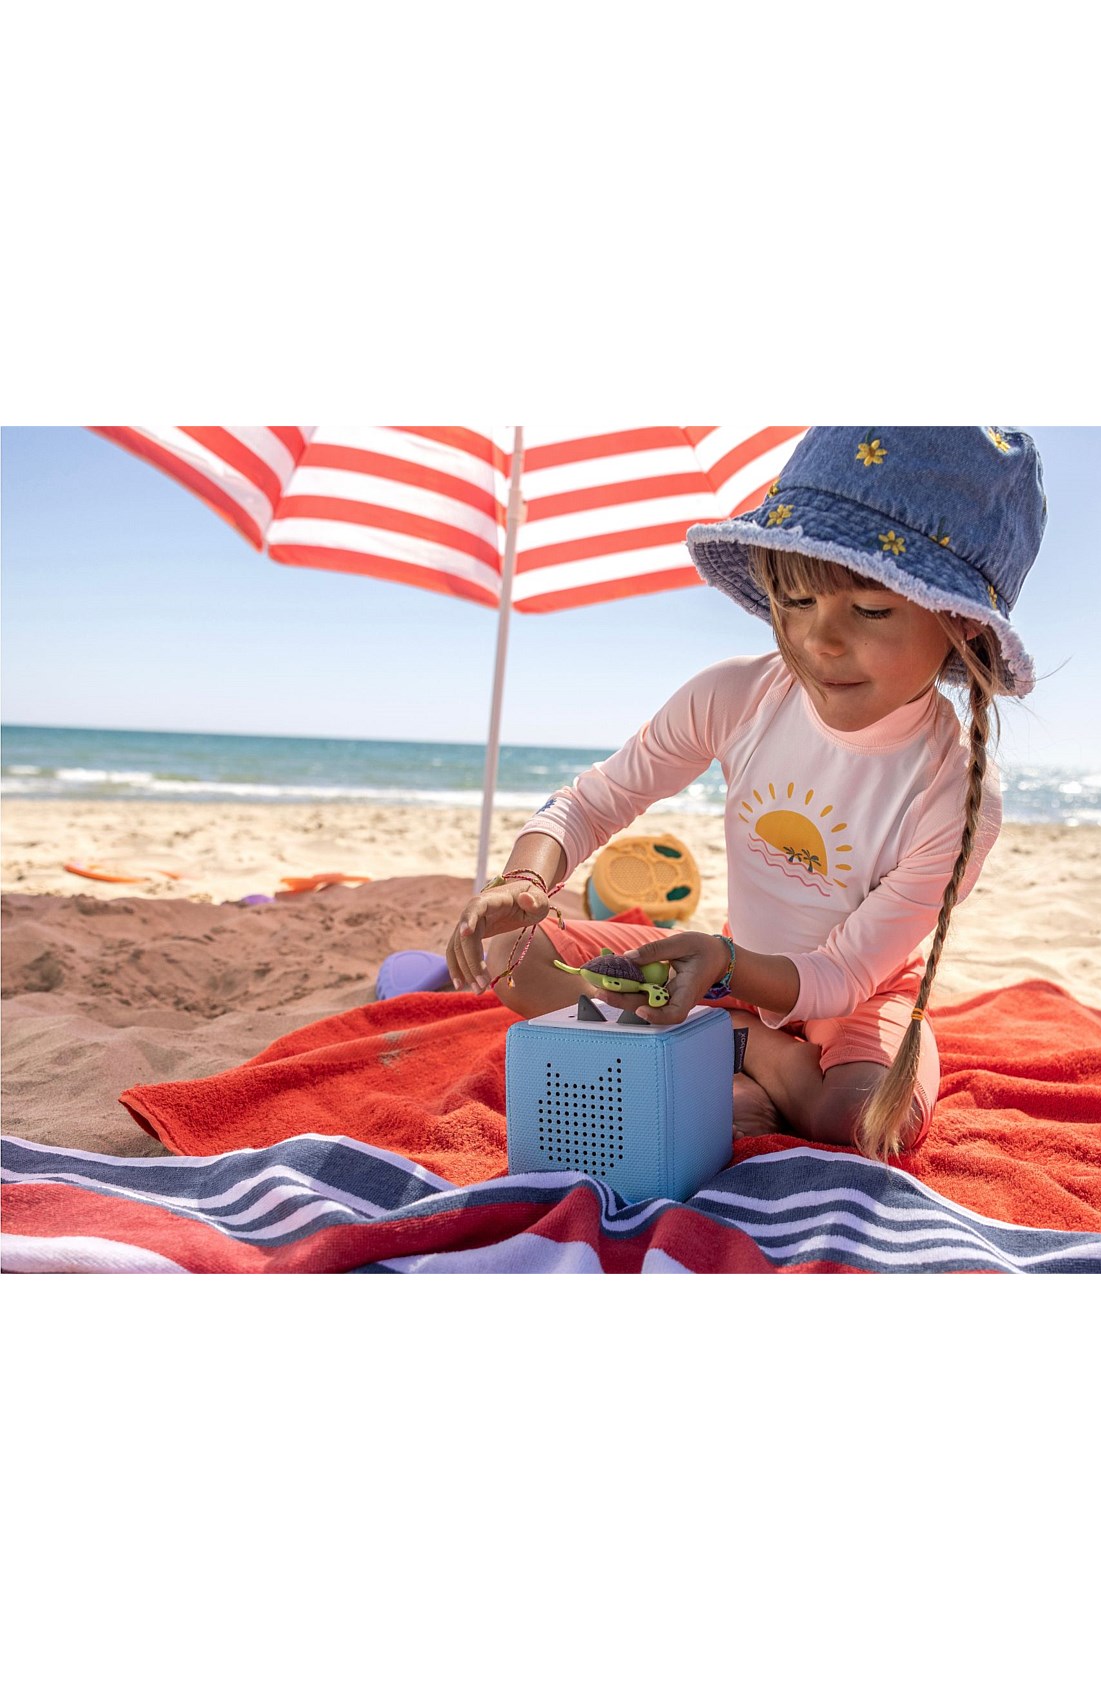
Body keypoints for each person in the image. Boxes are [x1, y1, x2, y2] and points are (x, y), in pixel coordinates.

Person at [445, 427, 1047, 1162]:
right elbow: (596, 799)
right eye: (796, 600)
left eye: (870, 610)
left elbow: (843, 974)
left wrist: (726, 968)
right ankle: (747, 1047)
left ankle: (730, 1053)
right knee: (511, 952)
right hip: (725, 971)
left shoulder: (956, 794)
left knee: (864, 1123)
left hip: (852, 994)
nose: (821, 641)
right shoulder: (738, 695)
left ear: (959, 623)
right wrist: (525, 880)